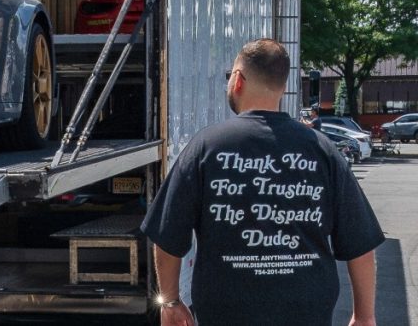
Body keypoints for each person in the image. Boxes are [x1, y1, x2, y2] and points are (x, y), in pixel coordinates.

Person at [141, 38, 383, 326]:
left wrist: (170, 301)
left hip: (225, 315)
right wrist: (364, 316)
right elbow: (360, 242)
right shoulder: (322, 150)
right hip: (306, 314)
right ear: (282, 86)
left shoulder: (206, 147)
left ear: (238, 80)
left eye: (229, 76)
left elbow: (167, 234)